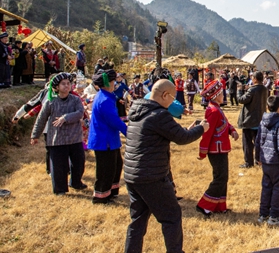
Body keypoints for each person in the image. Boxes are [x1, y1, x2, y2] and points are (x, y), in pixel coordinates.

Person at [124, 79, 209, 253]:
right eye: (173, 98)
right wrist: (201, 129)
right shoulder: (159, 115)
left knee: (138, 220)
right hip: (151, 176)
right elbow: (182, 138)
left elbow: (172, 133)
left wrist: (187, 129)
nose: (173, 102)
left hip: (133, 174)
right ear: (165, 95)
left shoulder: (138, 110)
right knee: (171, 217)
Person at [30, 73, 87, 194]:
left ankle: (76, 182)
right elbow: (41, 119)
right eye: (63, 84)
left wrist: (65, 118)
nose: (66, 86)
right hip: (57, 139)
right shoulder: (50, 102)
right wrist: (35, 135)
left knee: (79, 163)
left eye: (68, 83)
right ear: (56, 87)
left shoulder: (75, 100)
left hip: (75, 138)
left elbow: (80, 113)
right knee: (59, 166)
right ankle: (60, 189)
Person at [196, 79, 239, 217]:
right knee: (220, 178)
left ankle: (219, 206)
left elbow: (225, 123)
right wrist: (202, 151)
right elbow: (207, 133)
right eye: (221, 94)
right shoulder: (214, 111)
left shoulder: (217, 109)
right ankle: (204, 205)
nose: (223, 95)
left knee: (222, 177)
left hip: (221, 149)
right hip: (216, 150)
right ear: (216, 96)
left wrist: (232, 131)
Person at [88, 69, 128, 204]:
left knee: (116, 165)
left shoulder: (106, 96)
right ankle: (100, 196)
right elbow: (114, 120)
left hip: (110, 138)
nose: (115, 84)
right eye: (113, 81)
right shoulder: (104, 100)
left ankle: (111, 191)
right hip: (104, 139)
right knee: (106, 169)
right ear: (107, 83)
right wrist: (128, 132)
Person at [255, 96, 279, 225]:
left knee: (266, 188)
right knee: (278, 189)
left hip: (266, 161)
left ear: (267, 107)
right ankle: (274, 217)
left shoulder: (262, 122)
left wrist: (258, 158)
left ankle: (263, 215)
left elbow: (258, 142)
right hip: (277, 163)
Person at [237, 71, 268, 168]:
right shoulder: (264, 89)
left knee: (247, 143)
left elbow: (242, 100)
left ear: (255, 79)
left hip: (249, 120)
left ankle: (248, 162)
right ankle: (258, 160)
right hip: (259, 119)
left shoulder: (252, 90)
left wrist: (239, 91)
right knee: (258, 143)